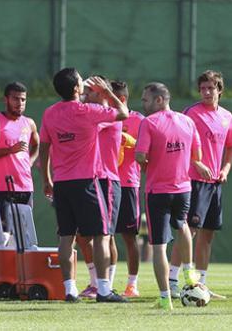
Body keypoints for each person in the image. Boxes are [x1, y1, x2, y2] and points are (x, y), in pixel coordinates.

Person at [39, 68, 128, 303]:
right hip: (86, 182)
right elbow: (123, 113)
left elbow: (44, 147)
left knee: (66, 237)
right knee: (101, 235)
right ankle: (104, 290)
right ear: (77, 89)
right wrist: (107, 91)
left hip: (61, 183)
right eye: (81, 82)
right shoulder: (88, 111)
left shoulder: (49, 113)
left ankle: (69, 289)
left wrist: (46, 179)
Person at [135, 82, 209, 310]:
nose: (143, 104)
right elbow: (197, 154)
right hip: (183, 188)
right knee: (183, 226)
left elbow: (140, 156)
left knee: (158, 246)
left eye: (146, 99)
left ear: (159, 100)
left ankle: (165, 298)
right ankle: (189, 273)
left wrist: (148, 162)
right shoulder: (188, 120)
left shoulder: (149, 122)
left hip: (159, 190)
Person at [169, 70, 232, 300]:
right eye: (203, 88)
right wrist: (196, 163)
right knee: (189, 231)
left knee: (208, 234)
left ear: (219, 90)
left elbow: (231, 148)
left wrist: (225, 170)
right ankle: (172, 281)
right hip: (194, 182)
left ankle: (202, 285)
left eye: (211, 88)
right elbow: (179, 143)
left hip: (215, 184)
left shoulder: (227, 116)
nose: (207, 92)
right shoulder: (191, 113)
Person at [77, 76, 123, 297]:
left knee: (106, 236)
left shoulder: (107, 116)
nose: (84, 93)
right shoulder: (90, 113)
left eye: (89, 90)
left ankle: (106, 285)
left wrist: (108, 93)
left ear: (100, 92)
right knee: (84, 235)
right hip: (89, 179)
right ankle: (96, 282)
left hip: (106, 179)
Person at [0, 82, 39, 234]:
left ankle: (20, 259)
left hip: (25, 187)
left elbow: (37, 145)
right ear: (5, 100)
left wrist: (30, 162)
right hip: (2, 188)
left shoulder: (30, 123)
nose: (20, 103)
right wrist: (9, 151)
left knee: (24, 233)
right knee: (4, 233)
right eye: (15, 99)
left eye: (23, 100)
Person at [112, 80, 145, 298]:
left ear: (121, 100)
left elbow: (147, 152)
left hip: (128, 184)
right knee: (104, 236)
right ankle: (104, 284)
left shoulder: (139, 120)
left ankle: (132, 284)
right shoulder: (102, 116)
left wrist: (131, 141)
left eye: (110, 98)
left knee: (129, 236)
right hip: (104, 181)